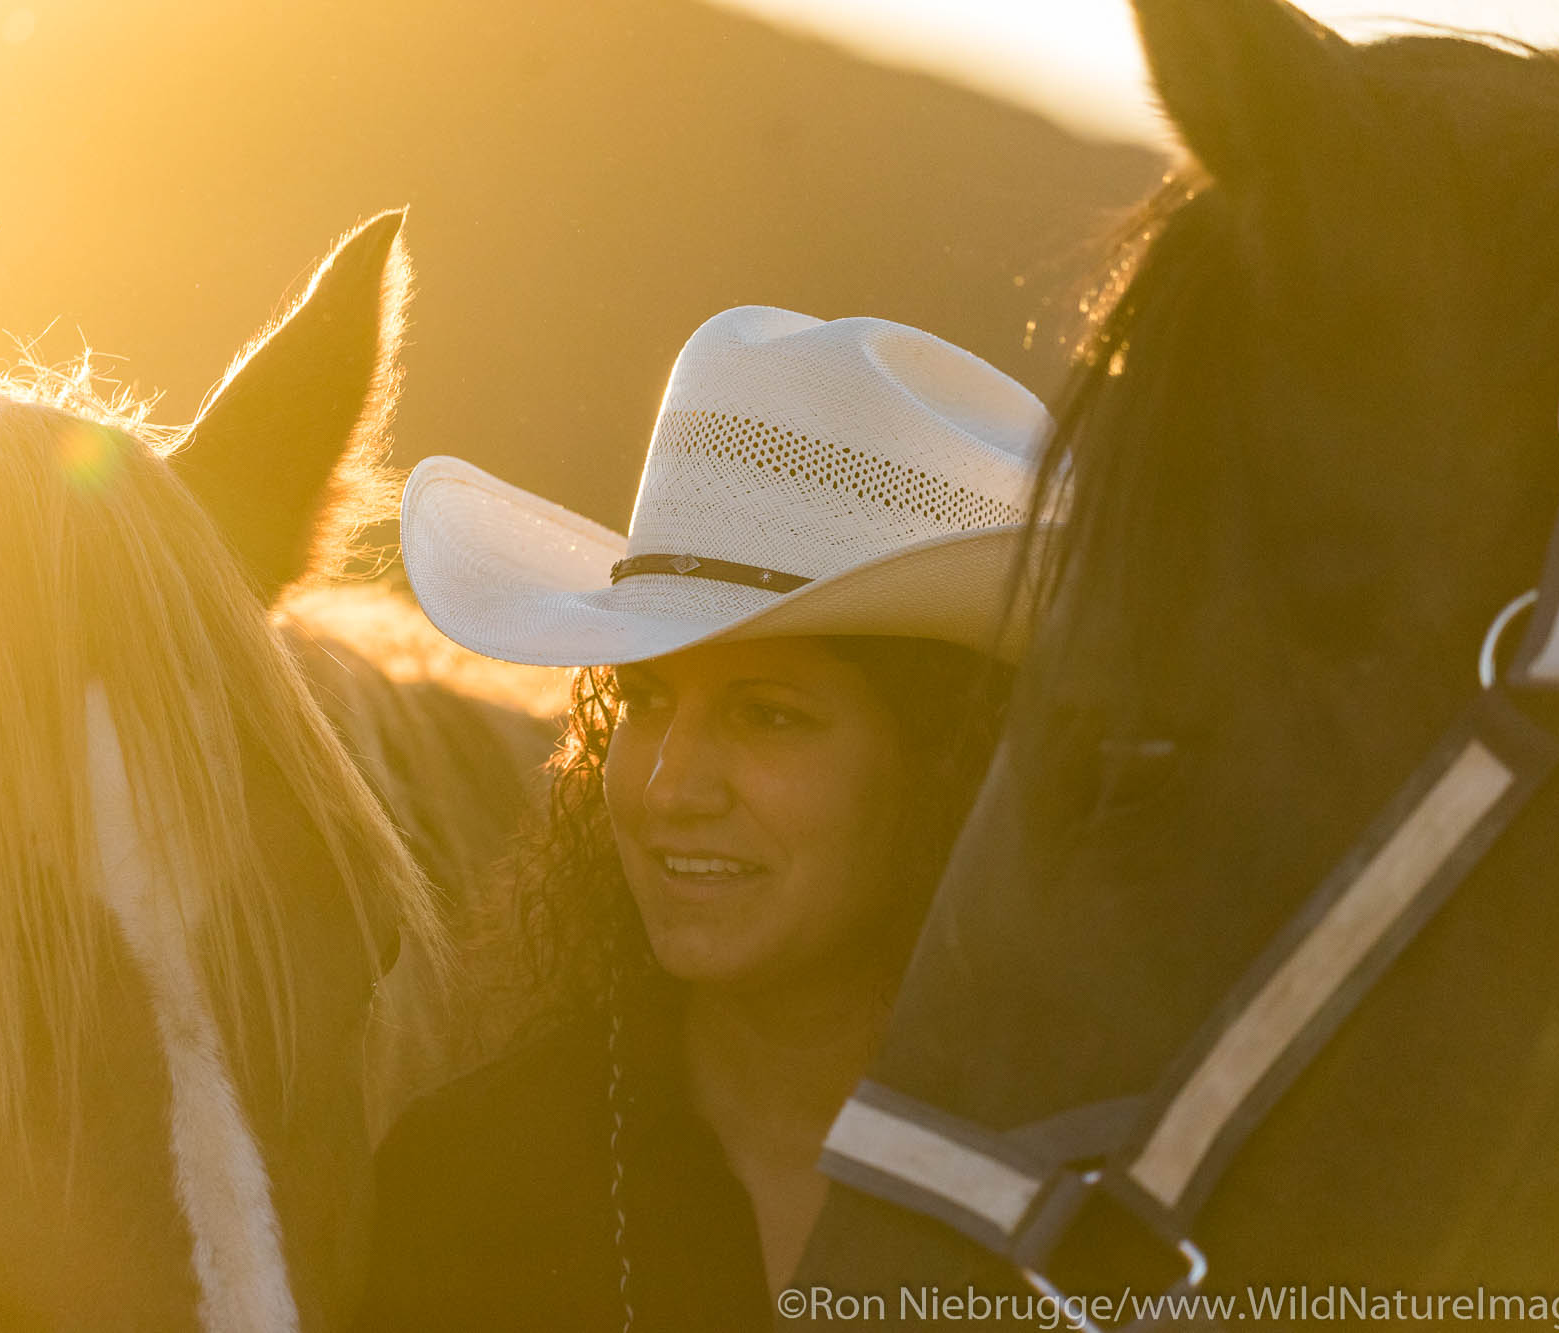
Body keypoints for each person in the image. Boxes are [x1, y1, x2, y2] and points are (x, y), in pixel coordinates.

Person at [360, 306, 1052, 1331]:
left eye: (769, 715)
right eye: (642, 703)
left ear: (951, 763)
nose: (671, 786)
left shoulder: (1112, 1193)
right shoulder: (469, 1179)